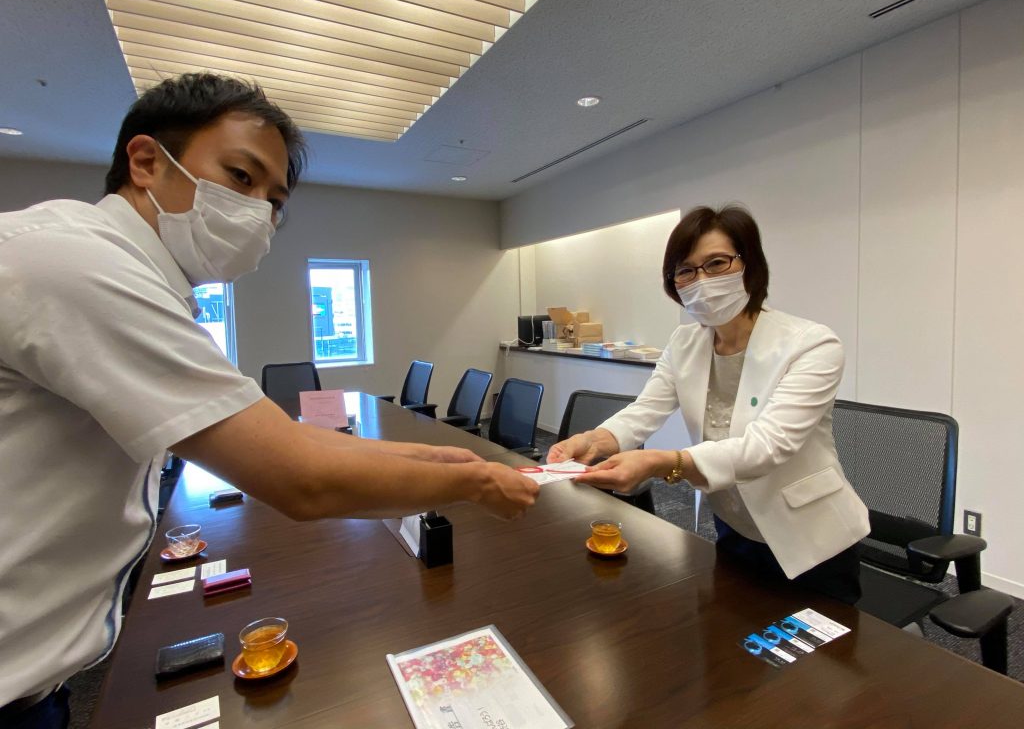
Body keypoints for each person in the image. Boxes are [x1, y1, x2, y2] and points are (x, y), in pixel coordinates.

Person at [0, 73, 539, 727]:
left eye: (275, 200)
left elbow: (300, 441)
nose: (260, 212)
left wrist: (442, 459)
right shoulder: (80, 264)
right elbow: (299, 476)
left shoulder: (121, 270)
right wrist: (475, 483)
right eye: (241, 177)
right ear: (145, 162)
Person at [549, 205, 869, 603]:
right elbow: (644, 410)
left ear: (749, 264)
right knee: (732, 631)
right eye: (685, 271)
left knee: (819, 644)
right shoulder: (685, 342)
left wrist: (663, 462)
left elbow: (768, 446)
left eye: (717, 263)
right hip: (733, 524)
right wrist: (594, 440)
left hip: (812, 538)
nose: (701, 280)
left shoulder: (811, 344)